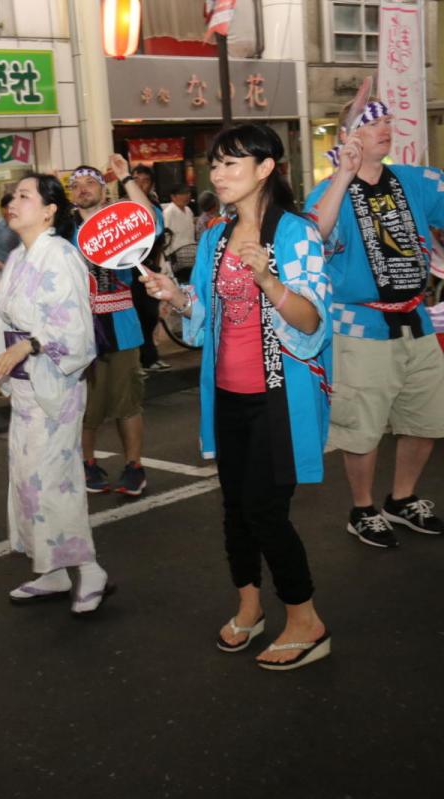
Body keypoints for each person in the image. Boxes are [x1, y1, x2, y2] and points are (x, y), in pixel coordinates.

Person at [142, 123, 333, 670]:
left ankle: (306, 619)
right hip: (226, 394)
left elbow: (312, 322)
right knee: (235, 510)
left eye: (231, 163)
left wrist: (271, 281)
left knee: (266, 512)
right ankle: (249, 606)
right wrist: (174, 297)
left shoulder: (297, 234)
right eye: (216, 164)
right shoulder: (215, 236)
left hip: (278, 397)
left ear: (266, 167)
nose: (218, 174)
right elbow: (204, 323)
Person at [0, 174, 113, 613]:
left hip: (54, 387)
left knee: (55, 483)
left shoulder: (61, 256)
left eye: (24, 196)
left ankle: (90, 568)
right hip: (25, 389)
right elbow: (10, 318)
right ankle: (53, 570)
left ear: (49, 209)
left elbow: (73, 330)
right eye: (13, 195)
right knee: (27, 481)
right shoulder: (19, 257)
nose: (12, 202)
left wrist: (29, 344)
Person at [305, 93, 444, 547]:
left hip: (418, 320)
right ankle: (362, 508)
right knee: (361, 429)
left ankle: (402, 499)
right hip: (359, 328)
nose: (385, 127)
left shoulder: (417, 181)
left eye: (387, 120)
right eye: (371, 122)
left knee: (425, 420)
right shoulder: (329, 192)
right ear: (348, 136)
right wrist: (341, 175)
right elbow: (314, 237)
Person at [70, 157, 162, 496]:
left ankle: (134, 466)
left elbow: (148, 221)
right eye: (76, 185)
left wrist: (125, 177)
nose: (82, 189)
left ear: (104, 190)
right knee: (85, 406)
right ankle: (87, 463)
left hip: (123, 325)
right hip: (81, 331)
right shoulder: (65, 233)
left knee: (129, 402)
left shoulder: (123, 224)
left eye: (90, 183)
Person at [163, 184, 197, 279]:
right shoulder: (168, 212)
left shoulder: (188, 210)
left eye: (188, 193)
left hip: (191, 254)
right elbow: (166, 236)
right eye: (183, 193)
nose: (187, 196)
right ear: (173, 196)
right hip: (176, 256)